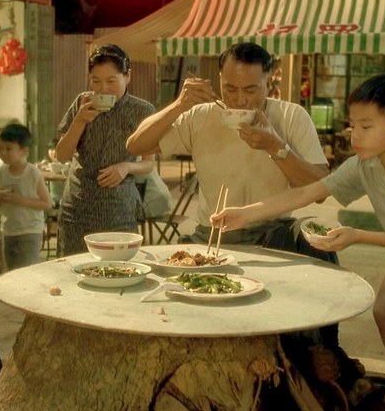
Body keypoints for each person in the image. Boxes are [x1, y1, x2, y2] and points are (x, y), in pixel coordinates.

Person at [212, 74, 385, 411]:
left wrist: (357, 235)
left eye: (365, 126)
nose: (354, 134)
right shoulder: (365, 164)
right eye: (352, 125)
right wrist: (245, 214)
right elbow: (309, 192)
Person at [126, 42, 333, 262]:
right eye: (230, 88)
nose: (239, 99)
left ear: (268, 81)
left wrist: (275, 146)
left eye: (250, 90)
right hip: (213, 233)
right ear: (220, 80)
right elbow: (135, 146)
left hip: (273, 232)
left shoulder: (291, 116)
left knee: (319, 237)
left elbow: (321, 190)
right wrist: (179, 105)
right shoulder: (201, 116)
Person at [54, 43, 156, 256]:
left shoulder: (143, 110)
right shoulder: (82, 103)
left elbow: (149, 163)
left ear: (127, 76)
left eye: (111, 81)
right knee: (73, 267)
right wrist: (80, 120)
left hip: (119, 209)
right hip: (77, 207)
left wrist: (126, 167)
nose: (103, 89)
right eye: (96, 81)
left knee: (119, 267)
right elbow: (61, 156)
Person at [0, 124, 52, 269]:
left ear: (24, 151)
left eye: (8, 149)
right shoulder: (1, 172)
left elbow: (47, 204)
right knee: (11, 271)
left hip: (30, 230)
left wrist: (19, 199)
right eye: (0, 148)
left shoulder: (33, 173)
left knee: (25, 272)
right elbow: (2, 204)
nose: (3, 152)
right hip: (8, 229)